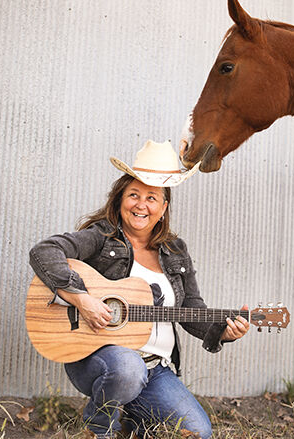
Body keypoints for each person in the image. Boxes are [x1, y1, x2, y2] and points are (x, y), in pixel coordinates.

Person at [29, 140, 250, 439]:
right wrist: (82, 300)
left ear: (163, 207)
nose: (141, 205)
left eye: (152, 198)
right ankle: (99, 429)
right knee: (128, 369)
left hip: (155, 369)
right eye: (134, 195)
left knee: (198, 432)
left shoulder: (175, 251)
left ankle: (133, 421)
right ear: (121, 199)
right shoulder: (101, 237)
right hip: (98, 358)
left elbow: (190, 311)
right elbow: (45, 251)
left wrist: (222, 331)